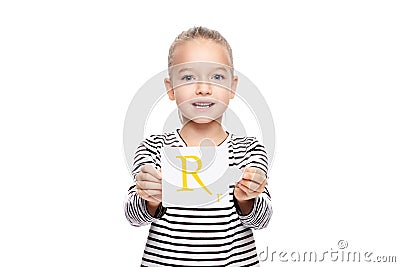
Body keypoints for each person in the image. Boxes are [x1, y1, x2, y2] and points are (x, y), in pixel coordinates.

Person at [124, 26, 272, 266]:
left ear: (232, 87)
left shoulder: (250, 151)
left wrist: (247, 199)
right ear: (170, 88)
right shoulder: (152, 149)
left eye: (217, 77)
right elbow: (133, 216)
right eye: (188, 77)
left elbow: (262, 220)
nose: (203, 88)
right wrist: (150, 199)